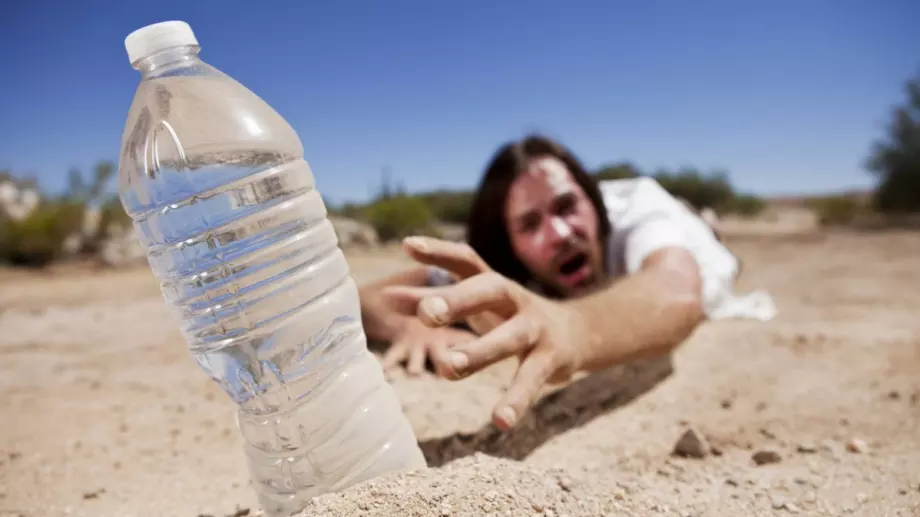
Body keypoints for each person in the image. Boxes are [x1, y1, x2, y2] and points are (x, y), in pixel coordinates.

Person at [358, 134, 774, 431]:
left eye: (566, 205)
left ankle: (705, 223)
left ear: (592, 200)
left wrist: (570, 328)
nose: (559, 233)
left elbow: (677, 291)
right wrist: (410, 326)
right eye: (529, 224)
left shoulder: (637, 211)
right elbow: (366, 298)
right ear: (510, 246)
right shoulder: (493, 262)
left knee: (719, 254)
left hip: (691, 242)